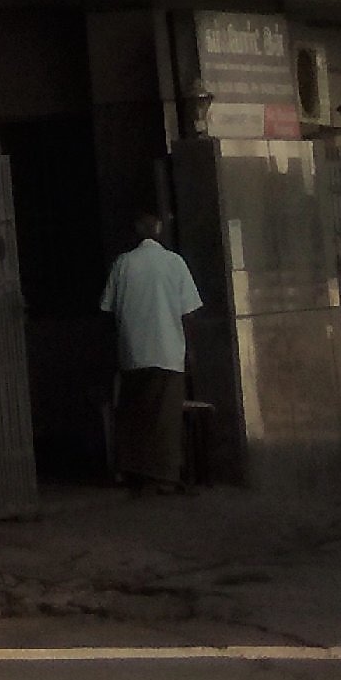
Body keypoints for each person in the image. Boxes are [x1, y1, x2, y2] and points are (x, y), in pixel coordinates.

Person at [101, 206, 206, 492]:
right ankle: (164, 476)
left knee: (135, 415)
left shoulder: (123, 264)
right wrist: (190, 350)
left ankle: (136, 471)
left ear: (136, 231)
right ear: (159, 230)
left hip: (133, 353)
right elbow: (189, 313)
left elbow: (107, 310)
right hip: (168, 352)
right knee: (166, 418)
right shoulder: (174, 263)